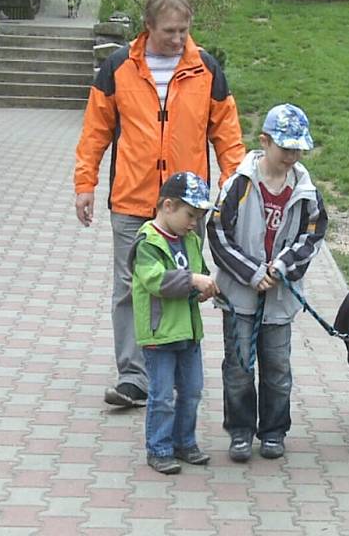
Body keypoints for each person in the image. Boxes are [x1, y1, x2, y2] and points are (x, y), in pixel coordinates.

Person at [74, 0, 245, 407]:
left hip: (187, 207)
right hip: (133, 201)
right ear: (147, 27)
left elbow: (226, 133)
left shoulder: (206, 69)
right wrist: (85, 184)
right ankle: (133, 376)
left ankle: (171, 368)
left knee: (182, 284)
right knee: (129, 287)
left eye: (184, 30)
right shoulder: (118, 67)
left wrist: (235, 185)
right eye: (169, 31)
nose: (178, 38)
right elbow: (95, 132)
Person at [207, 103, 328, 462]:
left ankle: (274, 431)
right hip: (240, 296)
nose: (292, 155)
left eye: (298, 149)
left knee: (277, 368)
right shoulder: (238, 184)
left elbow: (312, 236)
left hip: (279, 300)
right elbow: (218, 234)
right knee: (239, 366)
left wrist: (282, 267)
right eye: (285, 147)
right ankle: (241, 430)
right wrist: (252, 272)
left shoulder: (306, 192)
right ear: (265, 141)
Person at [130, 171, 218, 474]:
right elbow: (154, 280)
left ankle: (184, 441)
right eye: (190, 215)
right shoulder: (147, 242)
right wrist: (193, 279)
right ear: (167, 206)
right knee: (162, 396)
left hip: (188, 332)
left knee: (192, 391)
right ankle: (159, 447)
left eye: (198, 217)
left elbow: (200, 270)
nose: (194, 223)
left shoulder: (190, 240)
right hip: (160, 335)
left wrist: (203, 289)